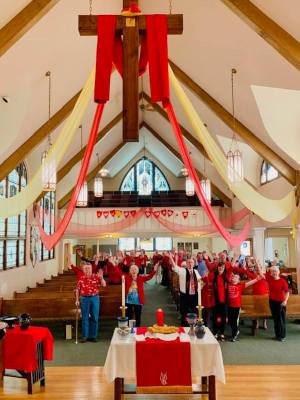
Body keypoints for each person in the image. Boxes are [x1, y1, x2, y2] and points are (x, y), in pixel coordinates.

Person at [75, 263, 106, 343]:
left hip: (94, 298)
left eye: (89, 268)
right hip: (84, 299)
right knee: (85, 318)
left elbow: (104, 285)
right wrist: (77, 300)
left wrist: (102, 278)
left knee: (94, 318)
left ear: (91, 269)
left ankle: (93, 336)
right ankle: (85, 336)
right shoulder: (81, 278)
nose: (87, 270)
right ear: (83, 270)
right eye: (86, 268)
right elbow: (77, 290)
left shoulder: (96, 277)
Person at [227, 273, 261, 341]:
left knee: (234, 320)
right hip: (229, 305)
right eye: (234, 277)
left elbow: (249, 283)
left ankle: (234, 334)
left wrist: (256, 279)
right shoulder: (228, 284)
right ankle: (236, 332)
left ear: (238, 280)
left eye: (236, 277)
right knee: (230, 320)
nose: (234, 278)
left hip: (236, 306)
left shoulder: (240, 285)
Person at [169, 254, 201, 326]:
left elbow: (200, 281)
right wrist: (171, 258)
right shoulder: (182, 270)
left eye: (191, 262)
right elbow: (175, 267)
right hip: (185, 296)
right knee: (184, 313)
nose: (190, 263)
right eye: (189, 262)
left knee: (194, 312)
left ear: (194, 263)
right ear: (186, 264)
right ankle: (184, 327)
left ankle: (193, 326)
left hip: (194, 295)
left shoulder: (196, 271)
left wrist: (200, 286)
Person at [266, 266, 289, 342]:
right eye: (272, 271)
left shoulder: (282, 281)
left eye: (275, 271)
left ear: (278, 272)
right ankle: (277, 335)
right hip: (272, 302)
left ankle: (282, 336)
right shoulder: (270, 279)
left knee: (281, 320)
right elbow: (262, 274)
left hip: (280, 303)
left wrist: (285, 301)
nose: (274, 272)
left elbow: (287, 292)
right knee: (276, 319)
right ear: (271, 273)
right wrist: (258, 264)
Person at [212, 262, 227, 341]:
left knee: (223, 318)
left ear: (224, 269)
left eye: (222, 267)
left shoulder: (226, 277)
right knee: (217, 318)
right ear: (217, 268)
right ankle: (215, 332)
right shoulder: (214, 276)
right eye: (219, 267)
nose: (221, 268)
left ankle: (222, 333)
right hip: (216, 301)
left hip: (223, 302)